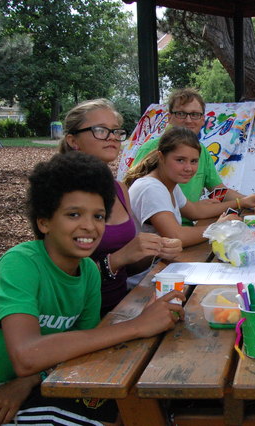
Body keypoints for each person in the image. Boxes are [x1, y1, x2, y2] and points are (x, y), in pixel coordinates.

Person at [0, 152, 185, 426]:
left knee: (136, 407)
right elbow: (27, 356)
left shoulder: (88, 271)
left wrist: (28, 381)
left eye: (99, 216)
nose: (89, 226)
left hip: (32, 386)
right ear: (44, 222)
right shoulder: (20, 265)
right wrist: (137, 325)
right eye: (73, 214)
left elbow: (85, 347)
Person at [59, 98, 182, 316]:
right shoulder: (60, 191)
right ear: (73, 140)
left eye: (116, 131)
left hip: (122, 307)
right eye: (100, 130)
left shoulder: (119, 189)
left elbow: (127, 266)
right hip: (79, 319)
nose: (112, 138)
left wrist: (153, 250)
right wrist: (119, 258)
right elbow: (61, 279)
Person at [131, 88, 255, 225]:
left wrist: (248, 201)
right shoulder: (150, 149)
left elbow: (218, 191)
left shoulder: (202, 151)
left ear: (202, 120)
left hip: (189, 225)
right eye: (181, 114)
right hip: (164, 233)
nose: (188, 120)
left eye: (195, 114)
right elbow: (139, 197)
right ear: (169, 117)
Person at [125, 127, 244, 248]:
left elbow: (195, 210)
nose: (188, 168)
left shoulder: (169, 183)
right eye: (180, 160)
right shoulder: (151, 188)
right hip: (153, 265)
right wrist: (218, 227)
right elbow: (176, 236)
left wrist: (241, 202)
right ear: (161, 157)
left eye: (194, 161)